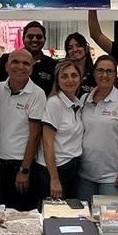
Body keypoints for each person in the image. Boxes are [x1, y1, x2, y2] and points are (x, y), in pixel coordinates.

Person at [79, 56, 118, 200]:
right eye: (100, 70)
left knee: (108, 214)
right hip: (84, 175)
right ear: (94, 73)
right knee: (85, 213)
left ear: (115, 75)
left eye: (109, 71)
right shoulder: (84, 99)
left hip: (112, 177)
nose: (104, 75)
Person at [0, 49, 45, 209]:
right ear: (7, 66)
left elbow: (35, 135)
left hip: (21, 167)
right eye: (15, 62)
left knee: (22, 217)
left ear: (31, 69)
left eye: (26, 63)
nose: (20, 67)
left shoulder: (37, 94)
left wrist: (24, 170)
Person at [40, 60, 88, 201]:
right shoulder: (54, 104)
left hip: (72, 167)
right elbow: (47, 144)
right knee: (55, 212)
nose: (70, 80)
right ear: (57, 80)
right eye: (64, 76)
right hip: (55, 169)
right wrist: (55, 179)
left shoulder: (78, 103)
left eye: (74, 75)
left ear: (80, 79)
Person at [0, 22, 58, 97]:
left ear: (45, 39)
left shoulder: (53, 65)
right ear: (23, 39)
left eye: (39, 37)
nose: (35, 39)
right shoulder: (6, 60)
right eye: (30, 36)